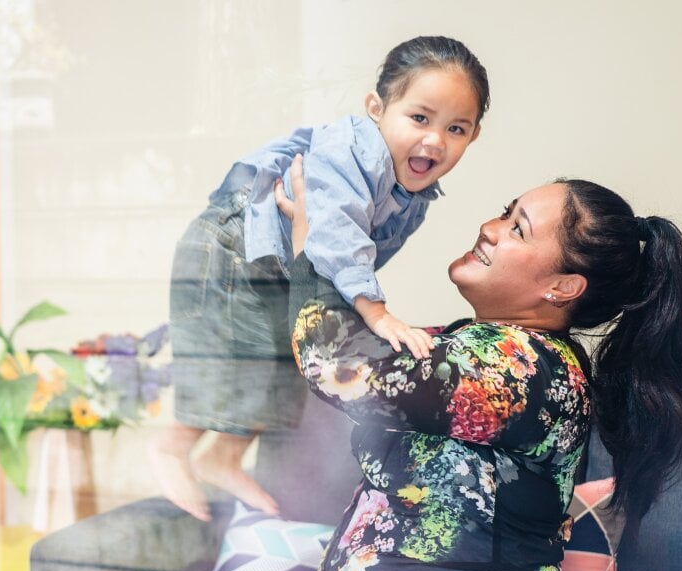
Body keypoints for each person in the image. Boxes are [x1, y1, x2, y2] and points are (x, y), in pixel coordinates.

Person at [171, 158, 682, 571]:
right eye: (504, 213)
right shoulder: (472, 348)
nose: (490, 229)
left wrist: (320, 243)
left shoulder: (525, 369)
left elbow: (342, 365)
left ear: (563, 288)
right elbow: (365, 339)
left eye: (517, 228)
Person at [152, 36, 490, 521]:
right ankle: (172, 445)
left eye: (455, 128)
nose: (435, 139)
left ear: (474, 135)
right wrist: (374, 310)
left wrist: (354, 300)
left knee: (281, 362)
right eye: (420, 118)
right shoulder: (354, 152)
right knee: (235, 359)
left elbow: (358, 254)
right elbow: (332, 228)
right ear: (377, 108)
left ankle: (221, 456)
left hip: (276, 266)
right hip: (232, 248)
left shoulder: (413, 194)